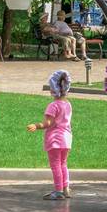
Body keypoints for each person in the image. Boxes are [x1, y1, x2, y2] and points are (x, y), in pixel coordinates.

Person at [27, 70, 74, 200]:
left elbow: (48, 123)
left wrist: (36, 126)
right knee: (63, 163)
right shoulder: (68, 104)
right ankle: (66, 188)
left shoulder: (53, 106)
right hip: (66, 138)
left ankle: (58, 190)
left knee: (55, 165)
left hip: (55, 140)